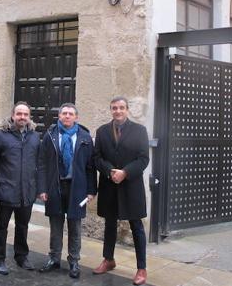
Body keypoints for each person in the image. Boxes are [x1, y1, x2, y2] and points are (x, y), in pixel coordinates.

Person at [92, 96, 150, 286]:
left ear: (127, 110)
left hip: (131, 186)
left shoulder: (139, 131)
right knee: (109, 224)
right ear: (111, 110)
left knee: (136, 227)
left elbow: (143, 159)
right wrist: (110, 171)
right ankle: (108, 259)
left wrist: (125, 172)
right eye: (114, 108)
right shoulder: (101, 131)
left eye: (121, 108)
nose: (118, 111)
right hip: (109, 185)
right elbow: (97, 157)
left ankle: (141, 268)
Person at [37, 103, 97, 279]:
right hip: (55, 186)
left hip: (77, 188)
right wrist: (42, 188)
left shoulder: (85, 138)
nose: (67, 116)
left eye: (71, 114)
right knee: (55, 226)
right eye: (64, 113)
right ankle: (54, 258)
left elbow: (91, 167)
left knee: (75, 227)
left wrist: (91, 190)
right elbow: (42, 164)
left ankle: (74, 261)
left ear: (76, 117)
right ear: (59, 116)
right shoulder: (50, 136)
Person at [0, 102, 41, 275]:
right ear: (12, 115)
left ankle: (21, 256)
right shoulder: (0, 136)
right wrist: (5, 175)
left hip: (27, 190)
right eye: (19, 114)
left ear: (29, 116)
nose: (22, 117)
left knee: (22, 225)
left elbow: (37, 162)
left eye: (25, 114)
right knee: (1, 226)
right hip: (7, 189)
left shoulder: (34, 137)